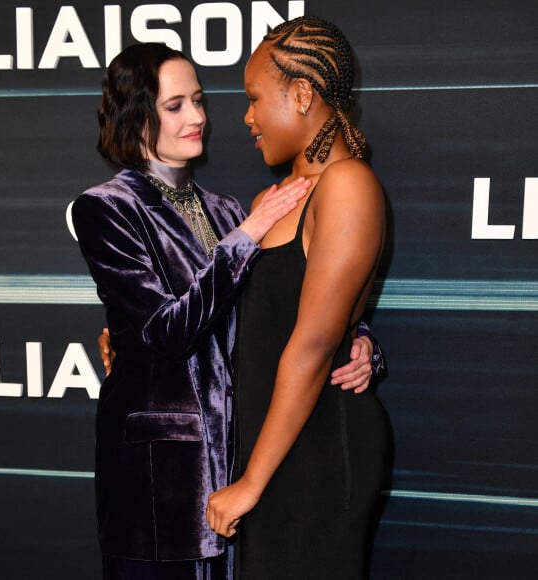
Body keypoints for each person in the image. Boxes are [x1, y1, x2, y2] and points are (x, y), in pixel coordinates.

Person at [72, 42, 379, 579]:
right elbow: (166, 331)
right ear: (134, 114)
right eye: (175, 106)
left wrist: (359, 339)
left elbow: (279, 309)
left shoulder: (228, 209)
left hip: (235, 461)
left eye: (198, 100)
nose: (199, 117)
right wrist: (245, 239)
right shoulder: (105, 207)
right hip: (160, 478)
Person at [206, 16, 391, 580]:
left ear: (303, 93)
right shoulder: (272, 199)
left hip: (316, 452)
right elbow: (253, 325)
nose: (247, 116)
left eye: (255, 98)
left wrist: (250, 483)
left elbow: (310, 347)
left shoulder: (349, 185)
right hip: (270, 444)